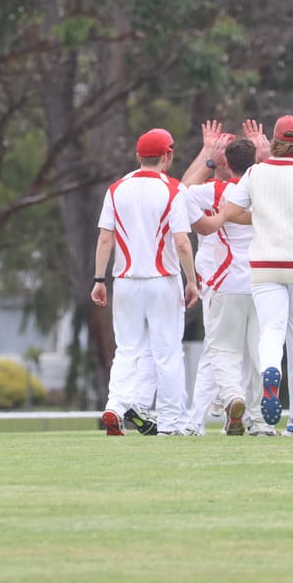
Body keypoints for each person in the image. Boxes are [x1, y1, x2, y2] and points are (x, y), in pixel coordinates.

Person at [219, 115, 293, 436]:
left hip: (266, 264)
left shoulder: (255, 172)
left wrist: (262, 218)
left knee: (271, 330)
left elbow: (230, 211)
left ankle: (271, 369)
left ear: (274, 141)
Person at [91, 128, 200, 436]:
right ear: (168, 155)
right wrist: (191, 280)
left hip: (125, 280)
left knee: (127, 350)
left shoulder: (116, 189)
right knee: (167, 353)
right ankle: (170, 423)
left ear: (138, 156)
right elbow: (182, 242)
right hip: (162, 280)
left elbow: (105, 238)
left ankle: (115, 406)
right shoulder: (172, 189)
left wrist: (99, 279)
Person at [182, 132, 271, 436]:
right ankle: (259, 422)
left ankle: (230, 398)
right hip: (263, 282)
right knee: (258, 354)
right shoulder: (266, 189)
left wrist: (208, 158)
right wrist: (266, 158)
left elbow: (181, 191)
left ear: (227, 163)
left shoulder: (217, 191)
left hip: (226, 281)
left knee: (219, 350)